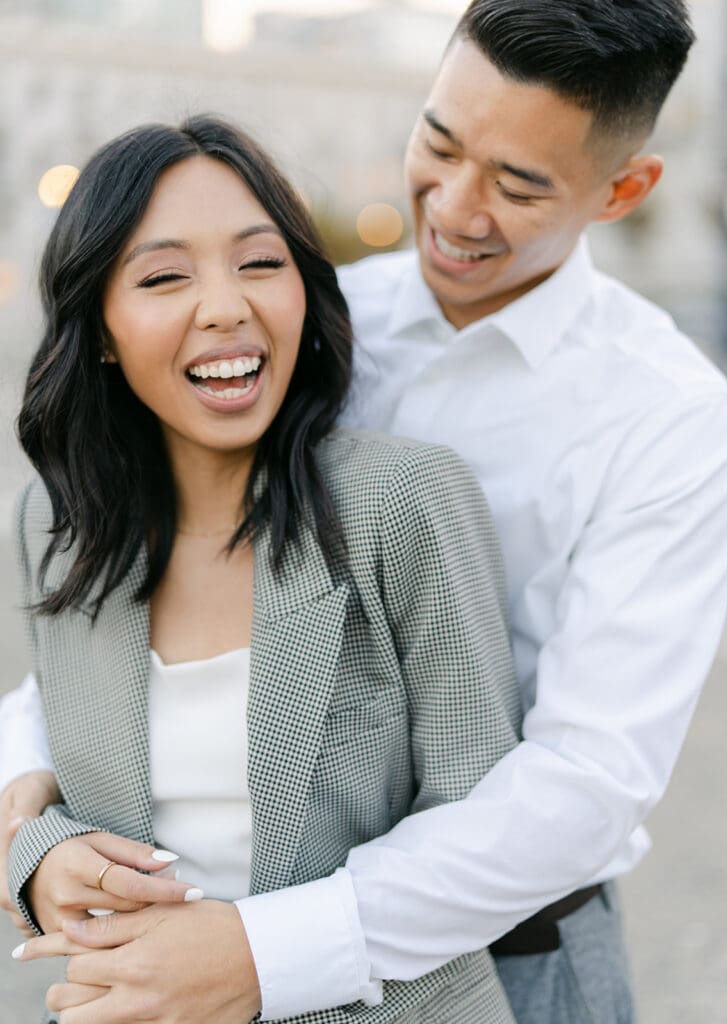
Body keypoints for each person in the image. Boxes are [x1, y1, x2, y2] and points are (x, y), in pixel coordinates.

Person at [1, 1, 727, 1022]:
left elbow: (587, 780)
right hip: (219, 927)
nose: (453, 204)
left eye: (518, 184)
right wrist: (31, 818)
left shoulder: (665, 417)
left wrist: (264, 953)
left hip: (510, 948)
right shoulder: (311, 325)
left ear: (622, 189)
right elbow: (132, 612)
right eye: (438, 143)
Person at [4, 115, 522, 1024]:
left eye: (259, 262)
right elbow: (45, 735)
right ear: (101, 333)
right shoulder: (57, 523)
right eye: (164, 277)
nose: (224, 306)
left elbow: (486, 836)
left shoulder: (403, 503)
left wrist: (260, 961)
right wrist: (37, 859)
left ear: (304, 291)